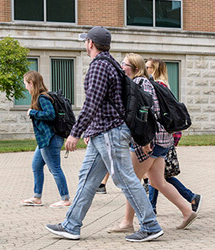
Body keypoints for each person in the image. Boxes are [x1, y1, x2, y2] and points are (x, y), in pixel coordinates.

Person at [44, 26, 164, 242]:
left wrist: (75, 133)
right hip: (103, 133)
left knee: (124, 178)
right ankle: (71, 225)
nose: (84, 44)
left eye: (85, 41)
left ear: (90, 43)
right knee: (88, 178)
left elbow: (92, 103)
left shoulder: (100, 66)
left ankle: (150, 225)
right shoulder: (110, 64)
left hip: (110, 132)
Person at [107, 54, 198, 234]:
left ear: (135, 68)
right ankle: (187, 211)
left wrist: (145, 140)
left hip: (150, 140)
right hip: (162, 140)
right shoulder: (143, 83)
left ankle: (128, 222)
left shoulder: (140, 84)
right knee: (157, 181)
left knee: (131, 181)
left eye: (124, 64)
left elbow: (147, 113)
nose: (121, 67)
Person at [143, 58, 202, 215]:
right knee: (157, 176)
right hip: (165, 136)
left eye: (148, 67)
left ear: (155, 69)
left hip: (161, 137)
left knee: (159, 176)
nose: (145, 69)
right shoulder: (160, 85)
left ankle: (190, 197)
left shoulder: (158, 86)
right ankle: (153, 205)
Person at [20, 71, 71, 208]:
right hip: (45, 140)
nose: (25, 87)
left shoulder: (42, 98)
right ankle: (37, 197)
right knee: (36, 166)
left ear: (31, 83)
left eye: (25, 84)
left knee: (54, 168)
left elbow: (50, 115)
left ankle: (65, 199)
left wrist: (32, 112)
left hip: (50, 139)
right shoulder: (40, 97)